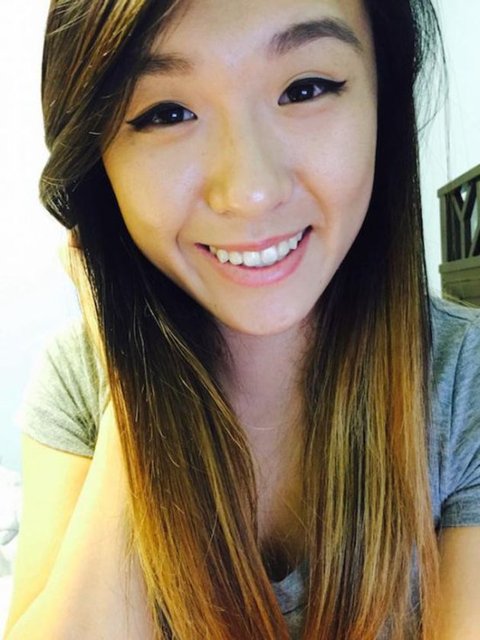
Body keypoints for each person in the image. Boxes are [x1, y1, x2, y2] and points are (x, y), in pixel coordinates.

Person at [4, 0, 480, 638]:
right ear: (97, 162)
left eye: (305, 89)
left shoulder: (465, 379)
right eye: (167, 113)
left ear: (381, 104)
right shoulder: (79, 378)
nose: (251, 192)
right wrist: (132, 381)